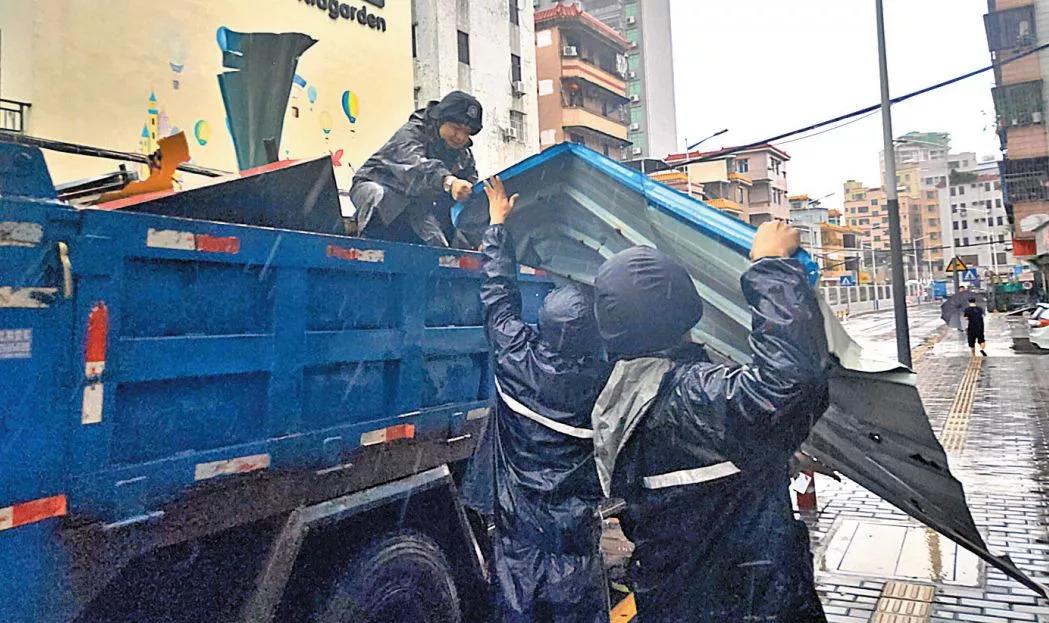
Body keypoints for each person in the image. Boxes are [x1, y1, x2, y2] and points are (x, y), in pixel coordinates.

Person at [589, 221, 831, 623]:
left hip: (675, 601)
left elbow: (703, 478)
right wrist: (771, 267)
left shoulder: (622, 398)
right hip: (745, 605)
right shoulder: (688, 395)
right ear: (682, 303)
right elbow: (790, 385)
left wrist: (773, 461)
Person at [460, 176, 611, 623]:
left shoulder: (515, 355)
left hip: (518, 538)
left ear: (542, 321)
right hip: (574, 546)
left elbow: (498, 296)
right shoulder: (604, 385)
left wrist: (497, 226)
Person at [349, 90, 481, 246]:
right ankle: (365, 246)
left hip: (418, 206)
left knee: (439, 247)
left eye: (467, 132)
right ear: (440, 119)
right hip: (380, 186)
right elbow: (415, 168)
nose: (460, 137)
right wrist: (449, 181)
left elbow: (470, 197)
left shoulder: (463, 157)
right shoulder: (410, 134)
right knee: (379, 197)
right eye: (456, 127)